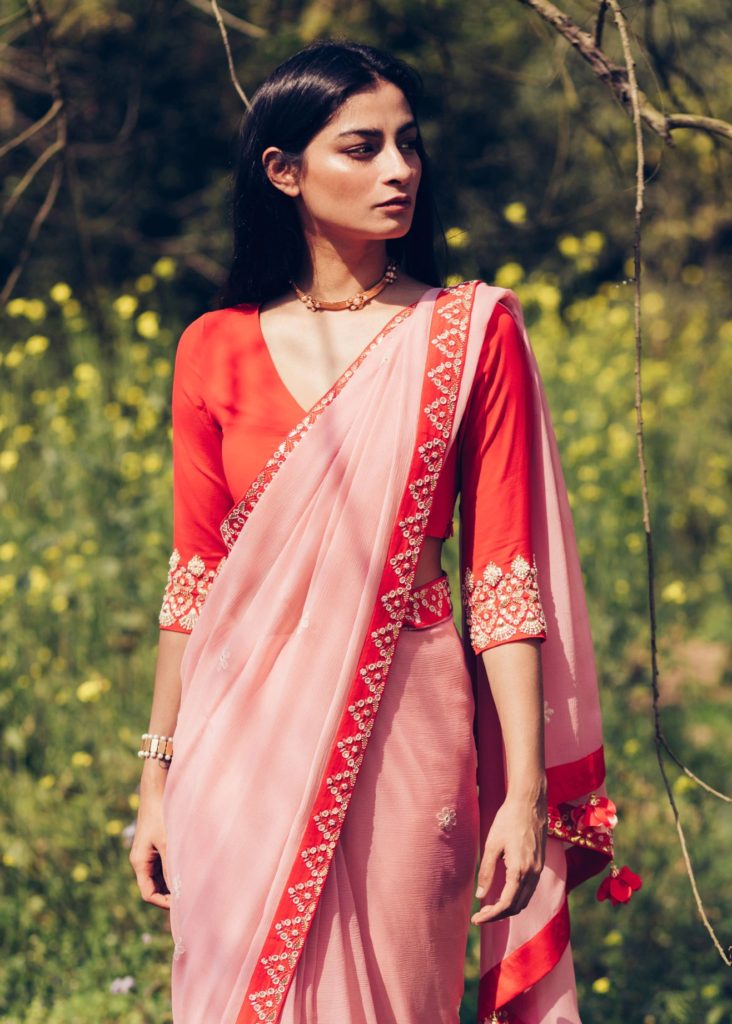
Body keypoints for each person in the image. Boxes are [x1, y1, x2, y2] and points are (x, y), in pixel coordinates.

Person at [129, 39, 639, 1024]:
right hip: (239, 742)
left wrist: (523, 788)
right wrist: (156, 778)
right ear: (282, 172)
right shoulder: (214, 348)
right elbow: (194, 578)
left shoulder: (468, 333)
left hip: (413, 724)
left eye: (409, 144)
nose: (400, 169)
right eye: (361, 148)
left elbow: (504, 580)